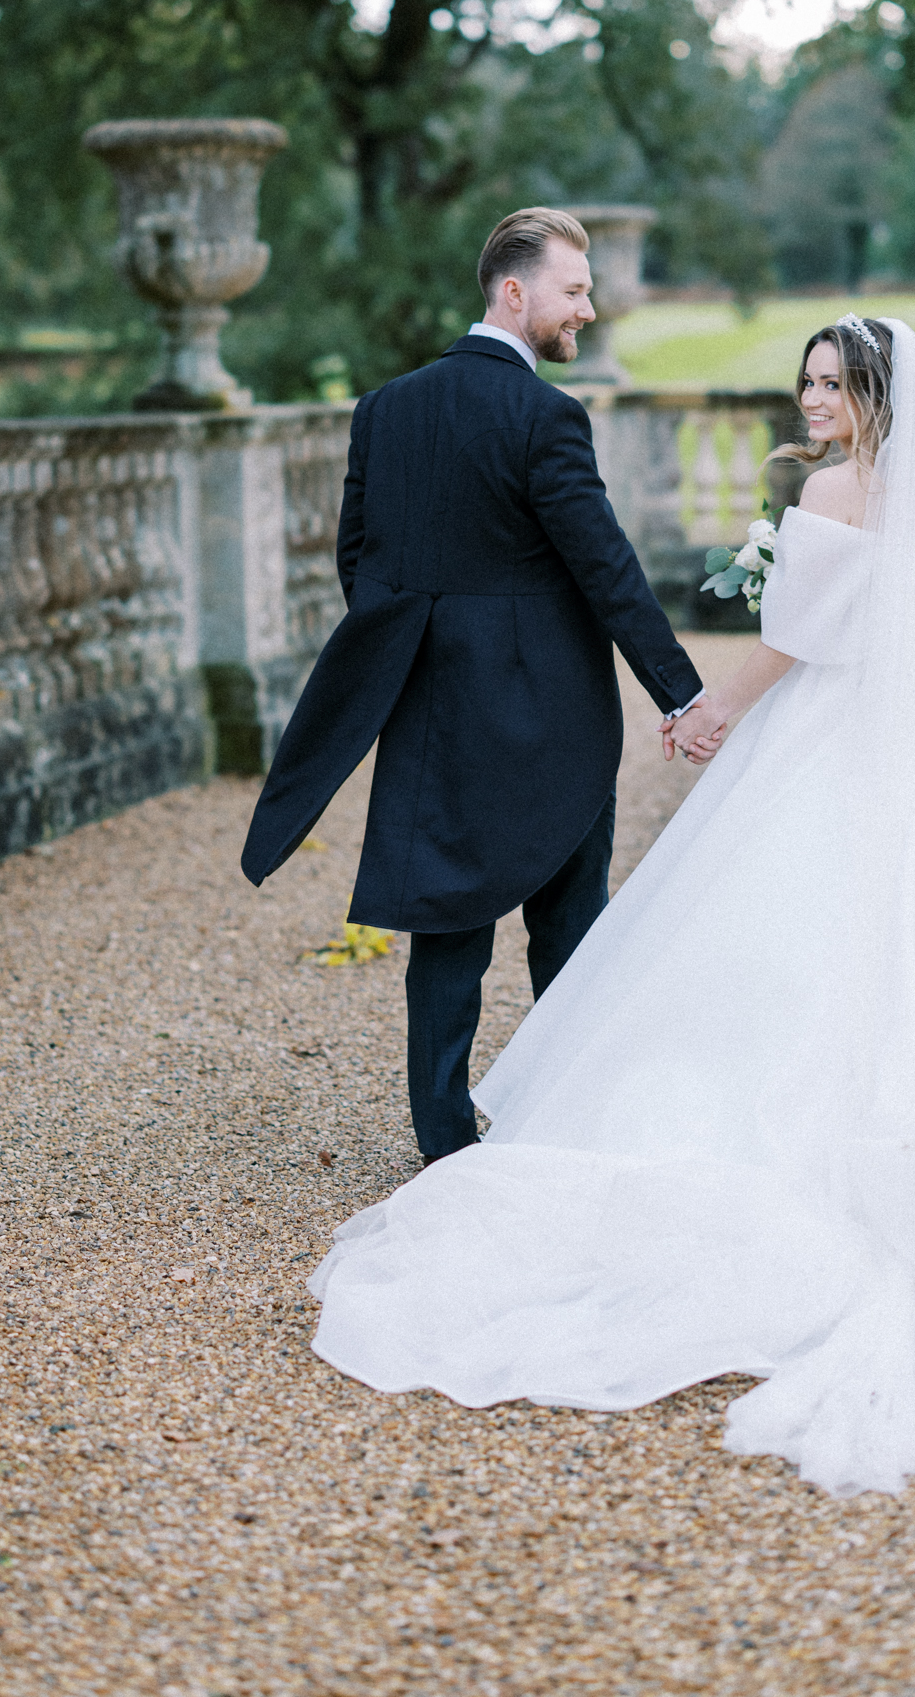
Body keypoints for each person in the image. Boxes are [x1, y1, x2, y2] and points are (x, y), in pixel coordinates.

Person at [301, 313, 915, 1497]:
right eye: (805, 383)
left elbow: (790, 639)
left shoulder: (837, 495)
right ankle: (874, 1084)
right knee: (887, 919)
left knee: (777, 904)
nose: (812, 403)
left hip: (833, 735)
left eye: (832, 386)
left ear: (875, 393)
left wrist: (710, 711)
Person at [240, 207, 705, 1163]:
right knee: (568, 923)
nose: (587, 308)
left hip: (431, 708)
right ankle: (572, 1117)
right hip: (552, 714)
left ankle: (444, 1140)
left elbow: (359, 565)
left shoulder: (385, 408)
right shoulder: (545, 416)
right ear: (514, 291)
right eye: (574, 292)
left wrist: (428, 645)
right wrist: (681, 694)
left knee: (447, 924)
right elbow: (605, 569)